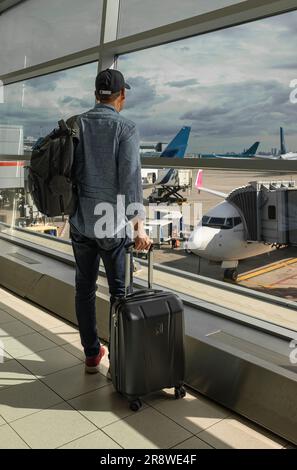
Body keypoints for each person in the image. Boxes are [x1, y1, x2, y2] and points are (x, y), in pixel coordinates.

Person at [69, 69, 151, 375]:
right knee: (119, 293)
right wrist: (139, 226)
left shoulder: (75, 124)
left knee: (84, 289)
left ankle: (92, 354)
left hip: (80, 220)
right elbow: (131, 180)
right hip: (113, 225)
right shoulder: (126, 128)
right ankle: (119, 360)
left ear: (95, 94)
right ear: (122, 96)